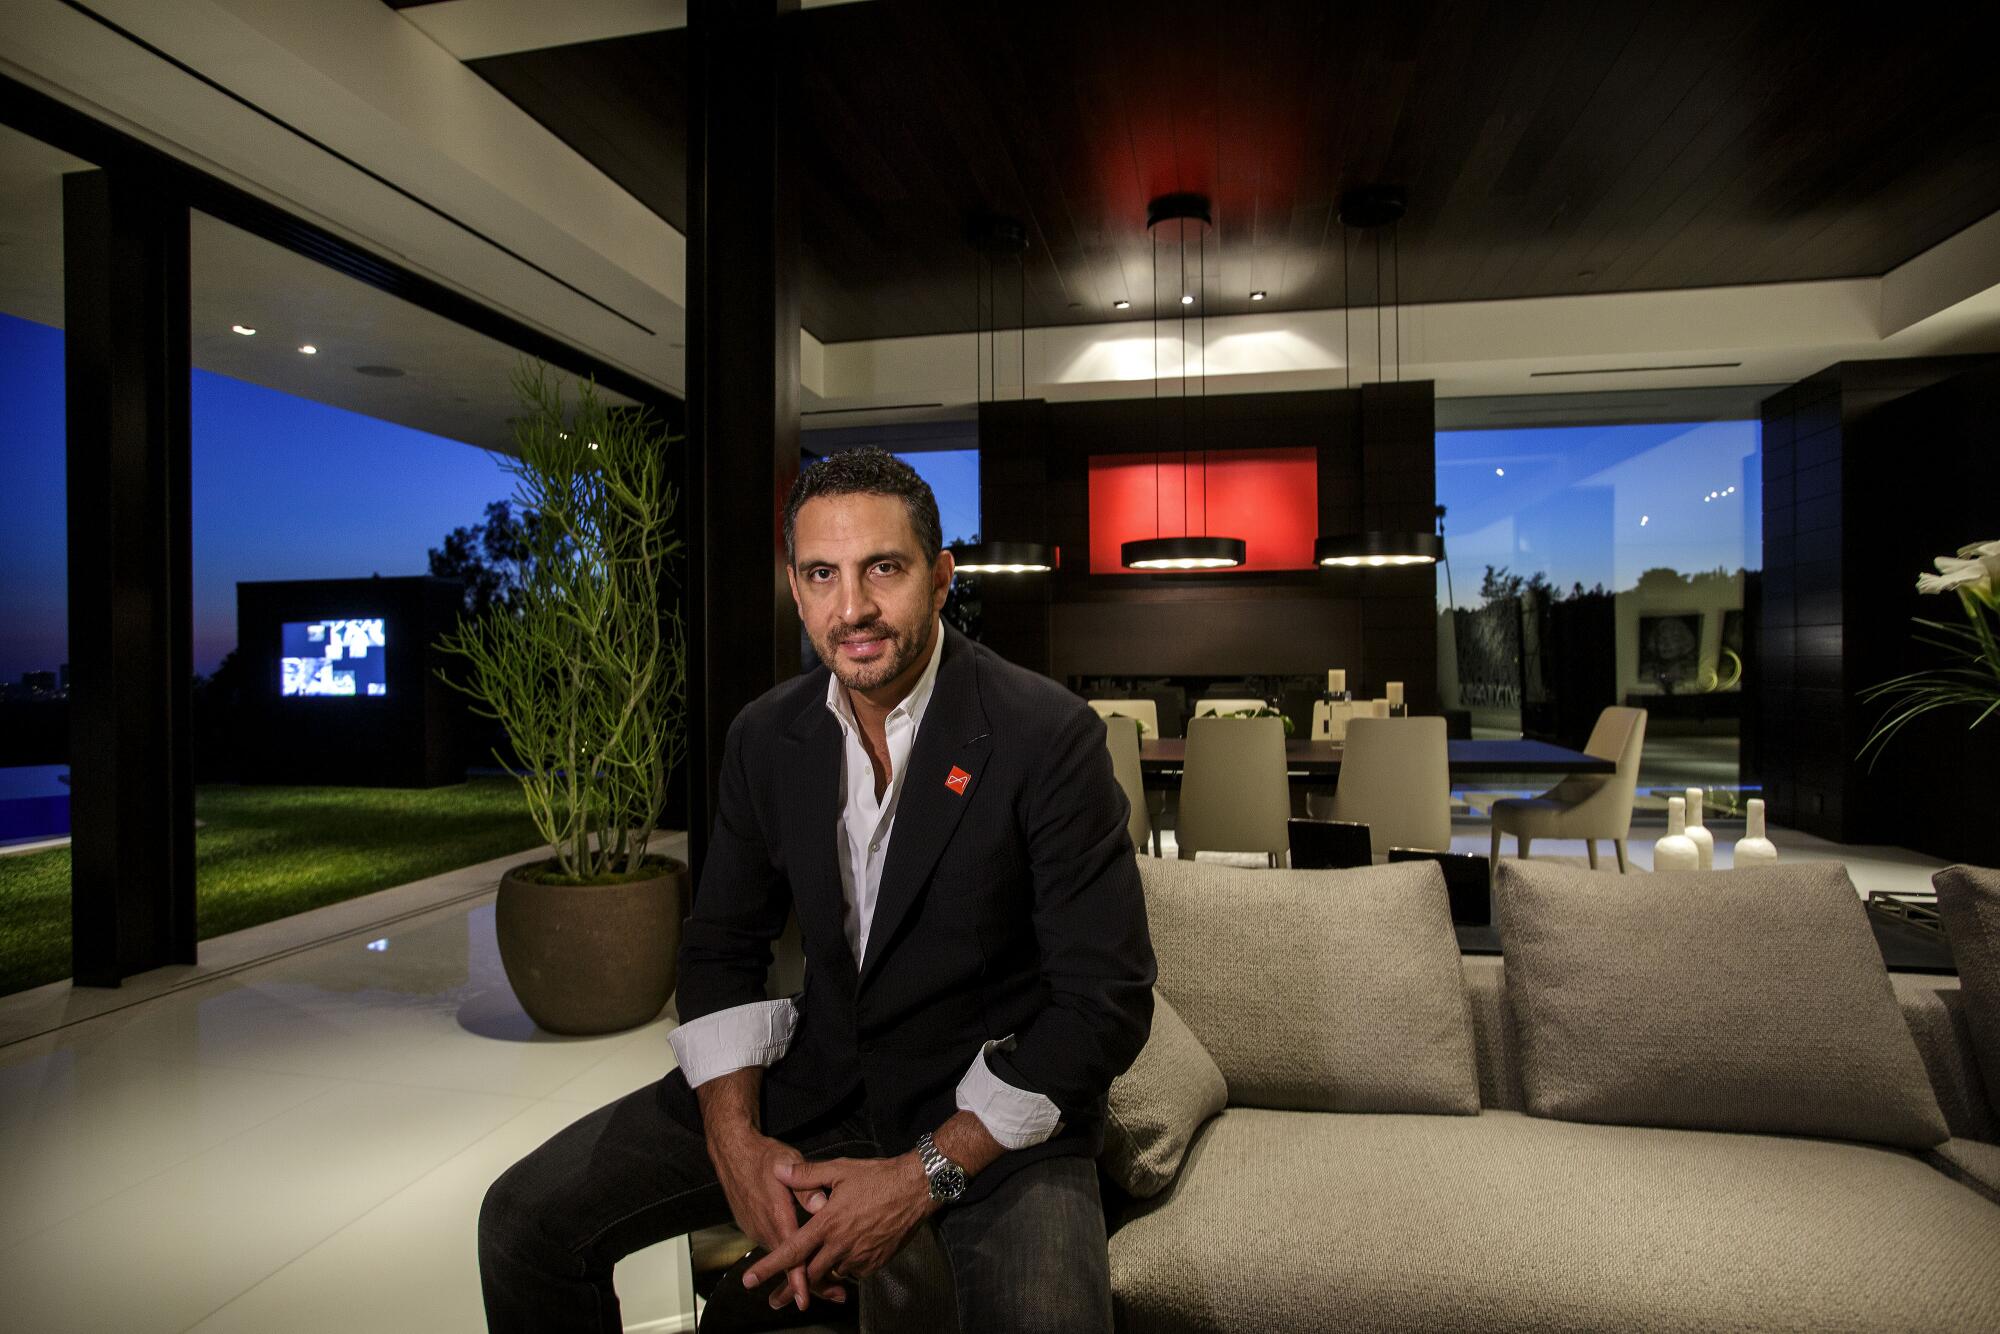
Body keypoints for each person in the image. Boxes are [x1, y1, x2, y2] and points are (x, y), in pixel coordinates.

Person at [478, 447, 1155, 1333]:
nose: (854, 608)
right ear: (795, 591)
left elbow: (1104, 1002)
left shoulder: (1045, 735)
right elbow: (721, 945)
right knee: (524, 1222)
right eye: (822, 575)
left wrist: (921, 1177)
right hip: (819, 1084)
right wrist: (735, 1139)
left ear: (942, 578)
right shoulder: (768, 736)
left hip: (995, 1116)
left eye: (884, 568)